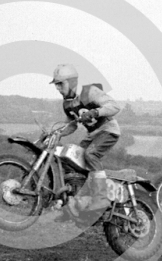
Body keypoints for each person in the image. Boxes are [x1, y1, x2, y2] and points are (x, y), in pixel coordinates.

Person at [51, 63, 121, 215]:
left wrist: (95, 112)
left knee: (90, 154)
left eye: (60, 84)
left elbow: (114, 106)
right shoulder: (68, 103)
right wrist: (56, 133)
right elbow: (71, 125)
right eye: (56, 85)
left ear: (71, 82)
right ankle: (76, 202)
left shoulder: (89, 92)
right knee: (72, 158)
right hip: (93, 135)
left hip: (108, 130)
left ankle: (101, 198)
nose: (57, 88)